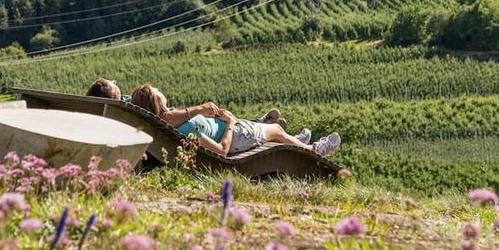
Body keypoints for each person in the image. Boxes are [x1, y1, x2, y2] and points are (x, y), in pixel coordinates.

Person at [130, 84, 340, 158]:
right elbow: (221, 150)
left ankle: (295, 141)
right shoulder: (184, 130)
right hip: (237, 138)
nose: (162, 93)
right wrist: (229, 123)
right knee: (275, 129)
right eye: (159, 93)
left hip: (236, 131)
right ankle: (313, 150)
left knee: (275, 131)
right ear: (157, 101)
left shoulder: (169, 123)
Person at [86, 78, 287, 127]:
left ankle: (258, 123)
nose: (115, 81)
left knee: (222, 117)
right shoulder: (127, 111)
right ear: (113, 98)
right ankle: (258, 125)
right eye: (113, 85)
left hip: (177, 118)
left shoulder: (96, 112)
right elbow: (164, 118)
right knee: (220, 118)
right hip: (186, 124)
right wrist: (199, 109)